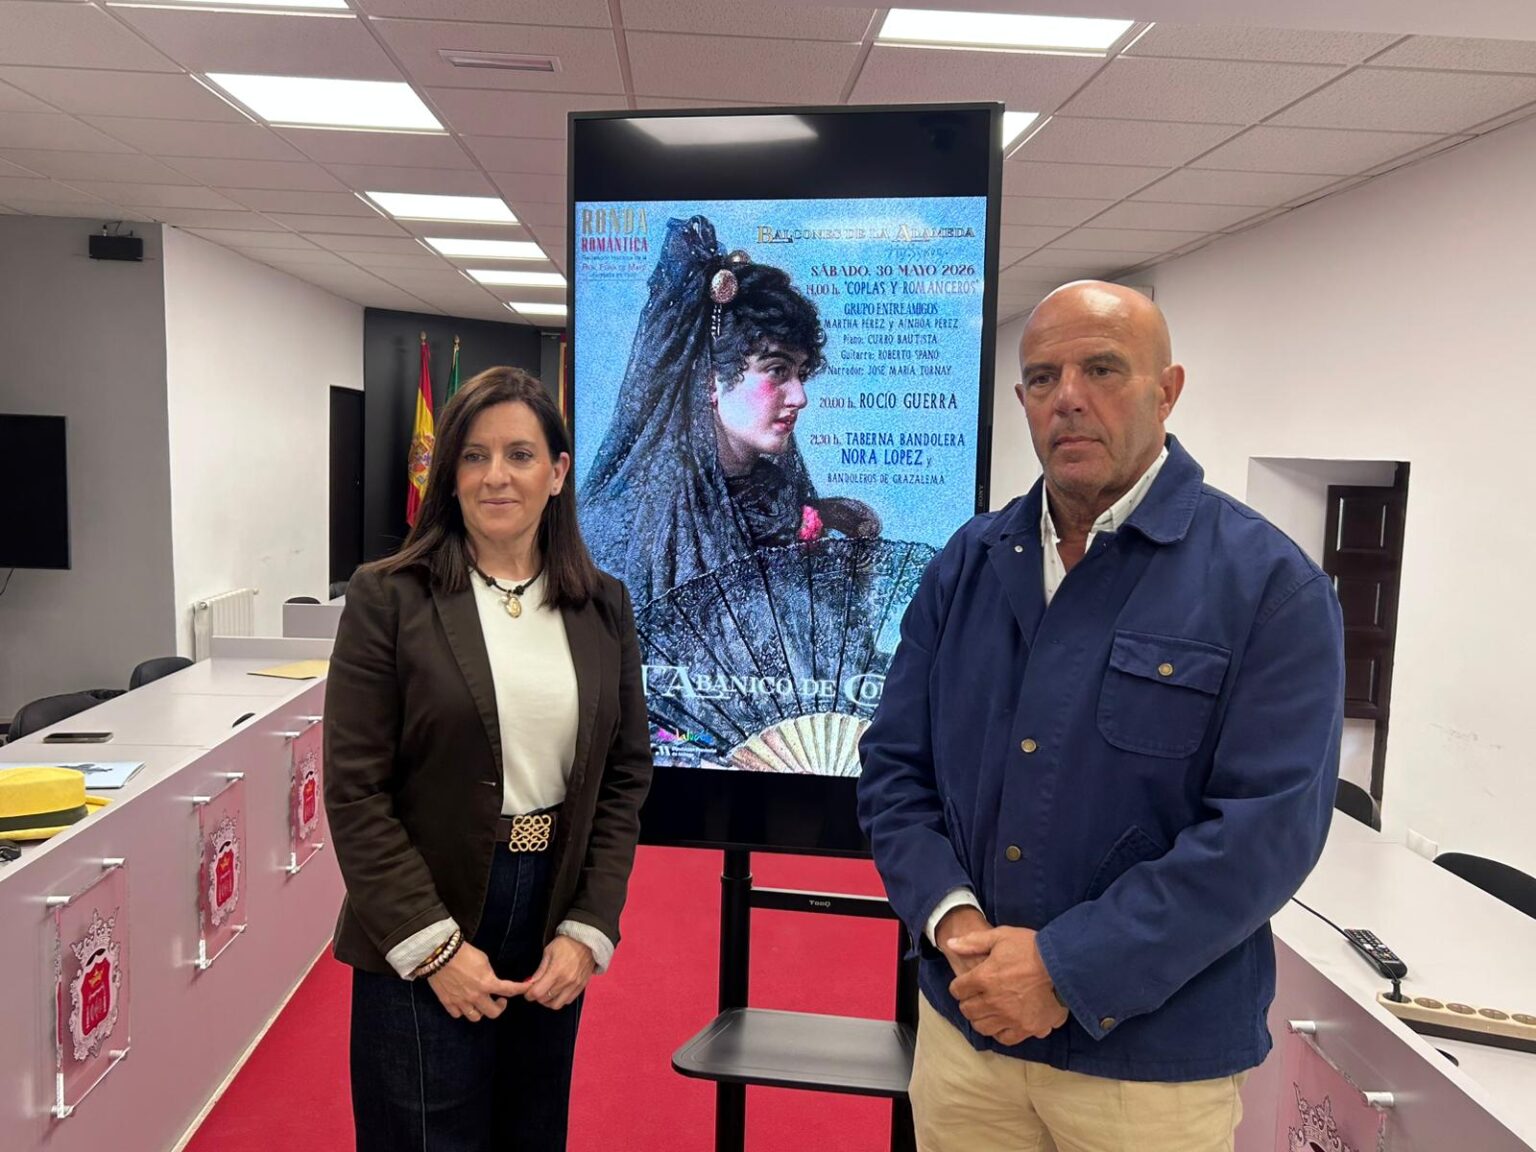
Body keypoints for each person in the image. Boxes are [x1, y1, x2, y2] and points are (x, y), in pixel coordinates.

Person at [857, 281, 1344, 1151]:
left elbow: (1263, 836)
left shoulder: (1268, 587)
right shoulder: (967, 566)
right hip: (968, 1039)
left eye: (1103, 369)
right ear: (1021, 402)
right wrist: (955, 924)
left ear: (1167, 389)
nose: (1069, 397)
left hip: (1151, 1065)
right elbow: (896, 769)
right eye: (1043, 378)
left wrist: (1063, 969)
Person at [324, 367, 652, 1152]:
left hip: (549, 916)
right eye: (473, 457)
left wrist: (587, 929)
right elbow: (355, 791)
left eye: (519, 454)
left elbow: (624, 775)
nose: (496, 476)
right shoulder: (388, 598)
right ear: (450, 475)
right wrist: (433, 949)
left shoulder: (602, 604)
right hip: (424, 910)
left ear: (559, 472)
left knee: (532, 1134)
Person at [581, 214, 878, 607]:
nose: (799, 397)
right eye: (777, 370)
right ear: (710, 381)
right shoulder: (633, 522)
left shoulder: (782, 503)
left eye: (801, 373)